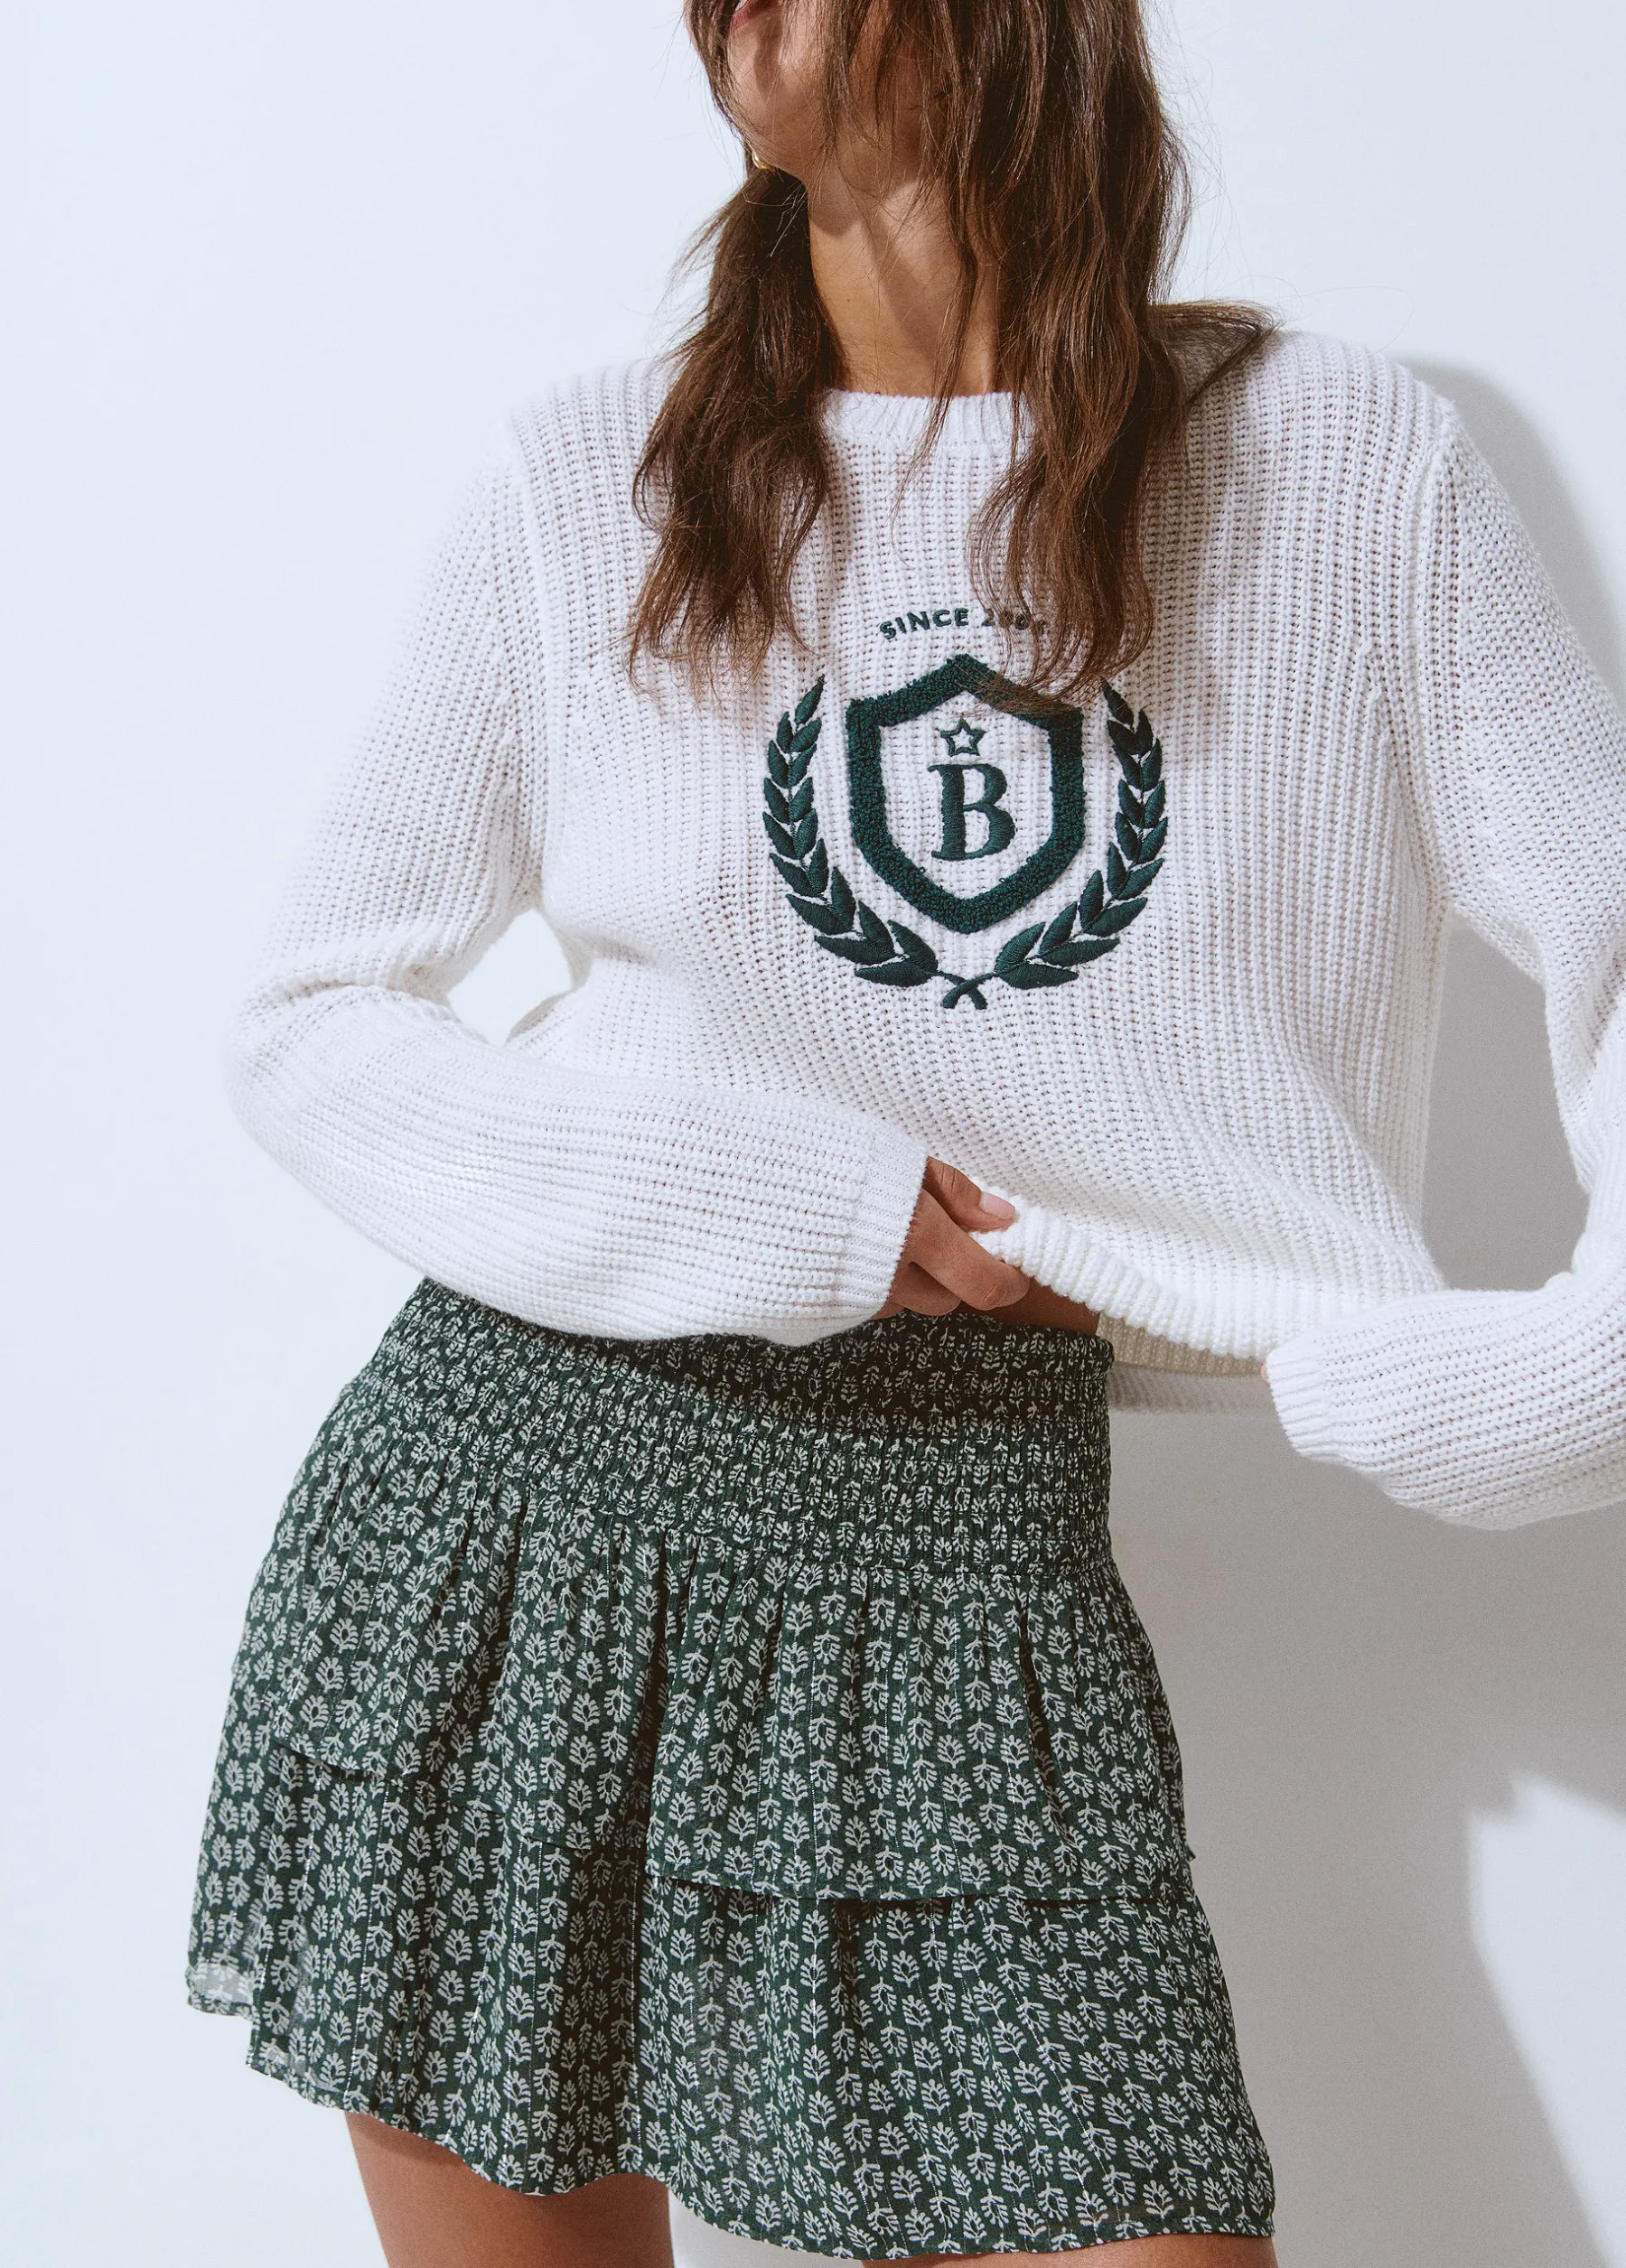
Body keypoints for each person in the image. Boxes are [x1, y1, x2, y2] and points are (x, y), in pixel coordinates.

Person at [186, 0, 1626, 2262]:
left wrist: (1545, 1375)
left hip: (971, 1560)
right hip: (525, 1508)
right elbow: (307, 1017)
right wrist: (790, 1201)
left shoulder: (1346, 471)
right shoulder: (592, 485)